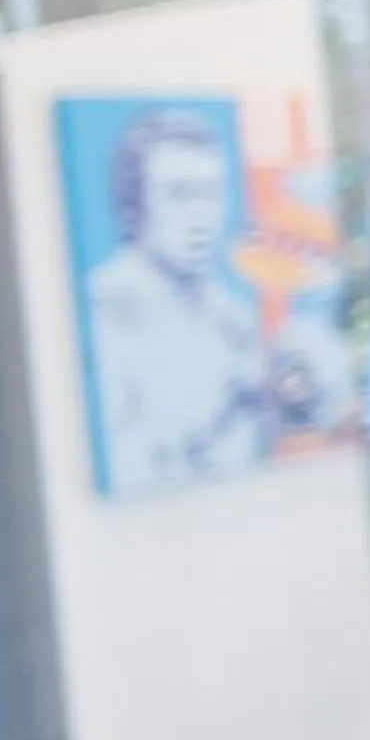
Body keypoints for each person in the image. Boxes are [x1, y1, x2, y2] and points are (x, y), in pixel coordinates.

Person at [87, 107, 267, 493]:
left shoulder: (234, 318)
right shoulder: (105, 315)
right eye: (179, 194)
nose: (199, 215)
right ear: (134, 206)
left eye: (211, 194)